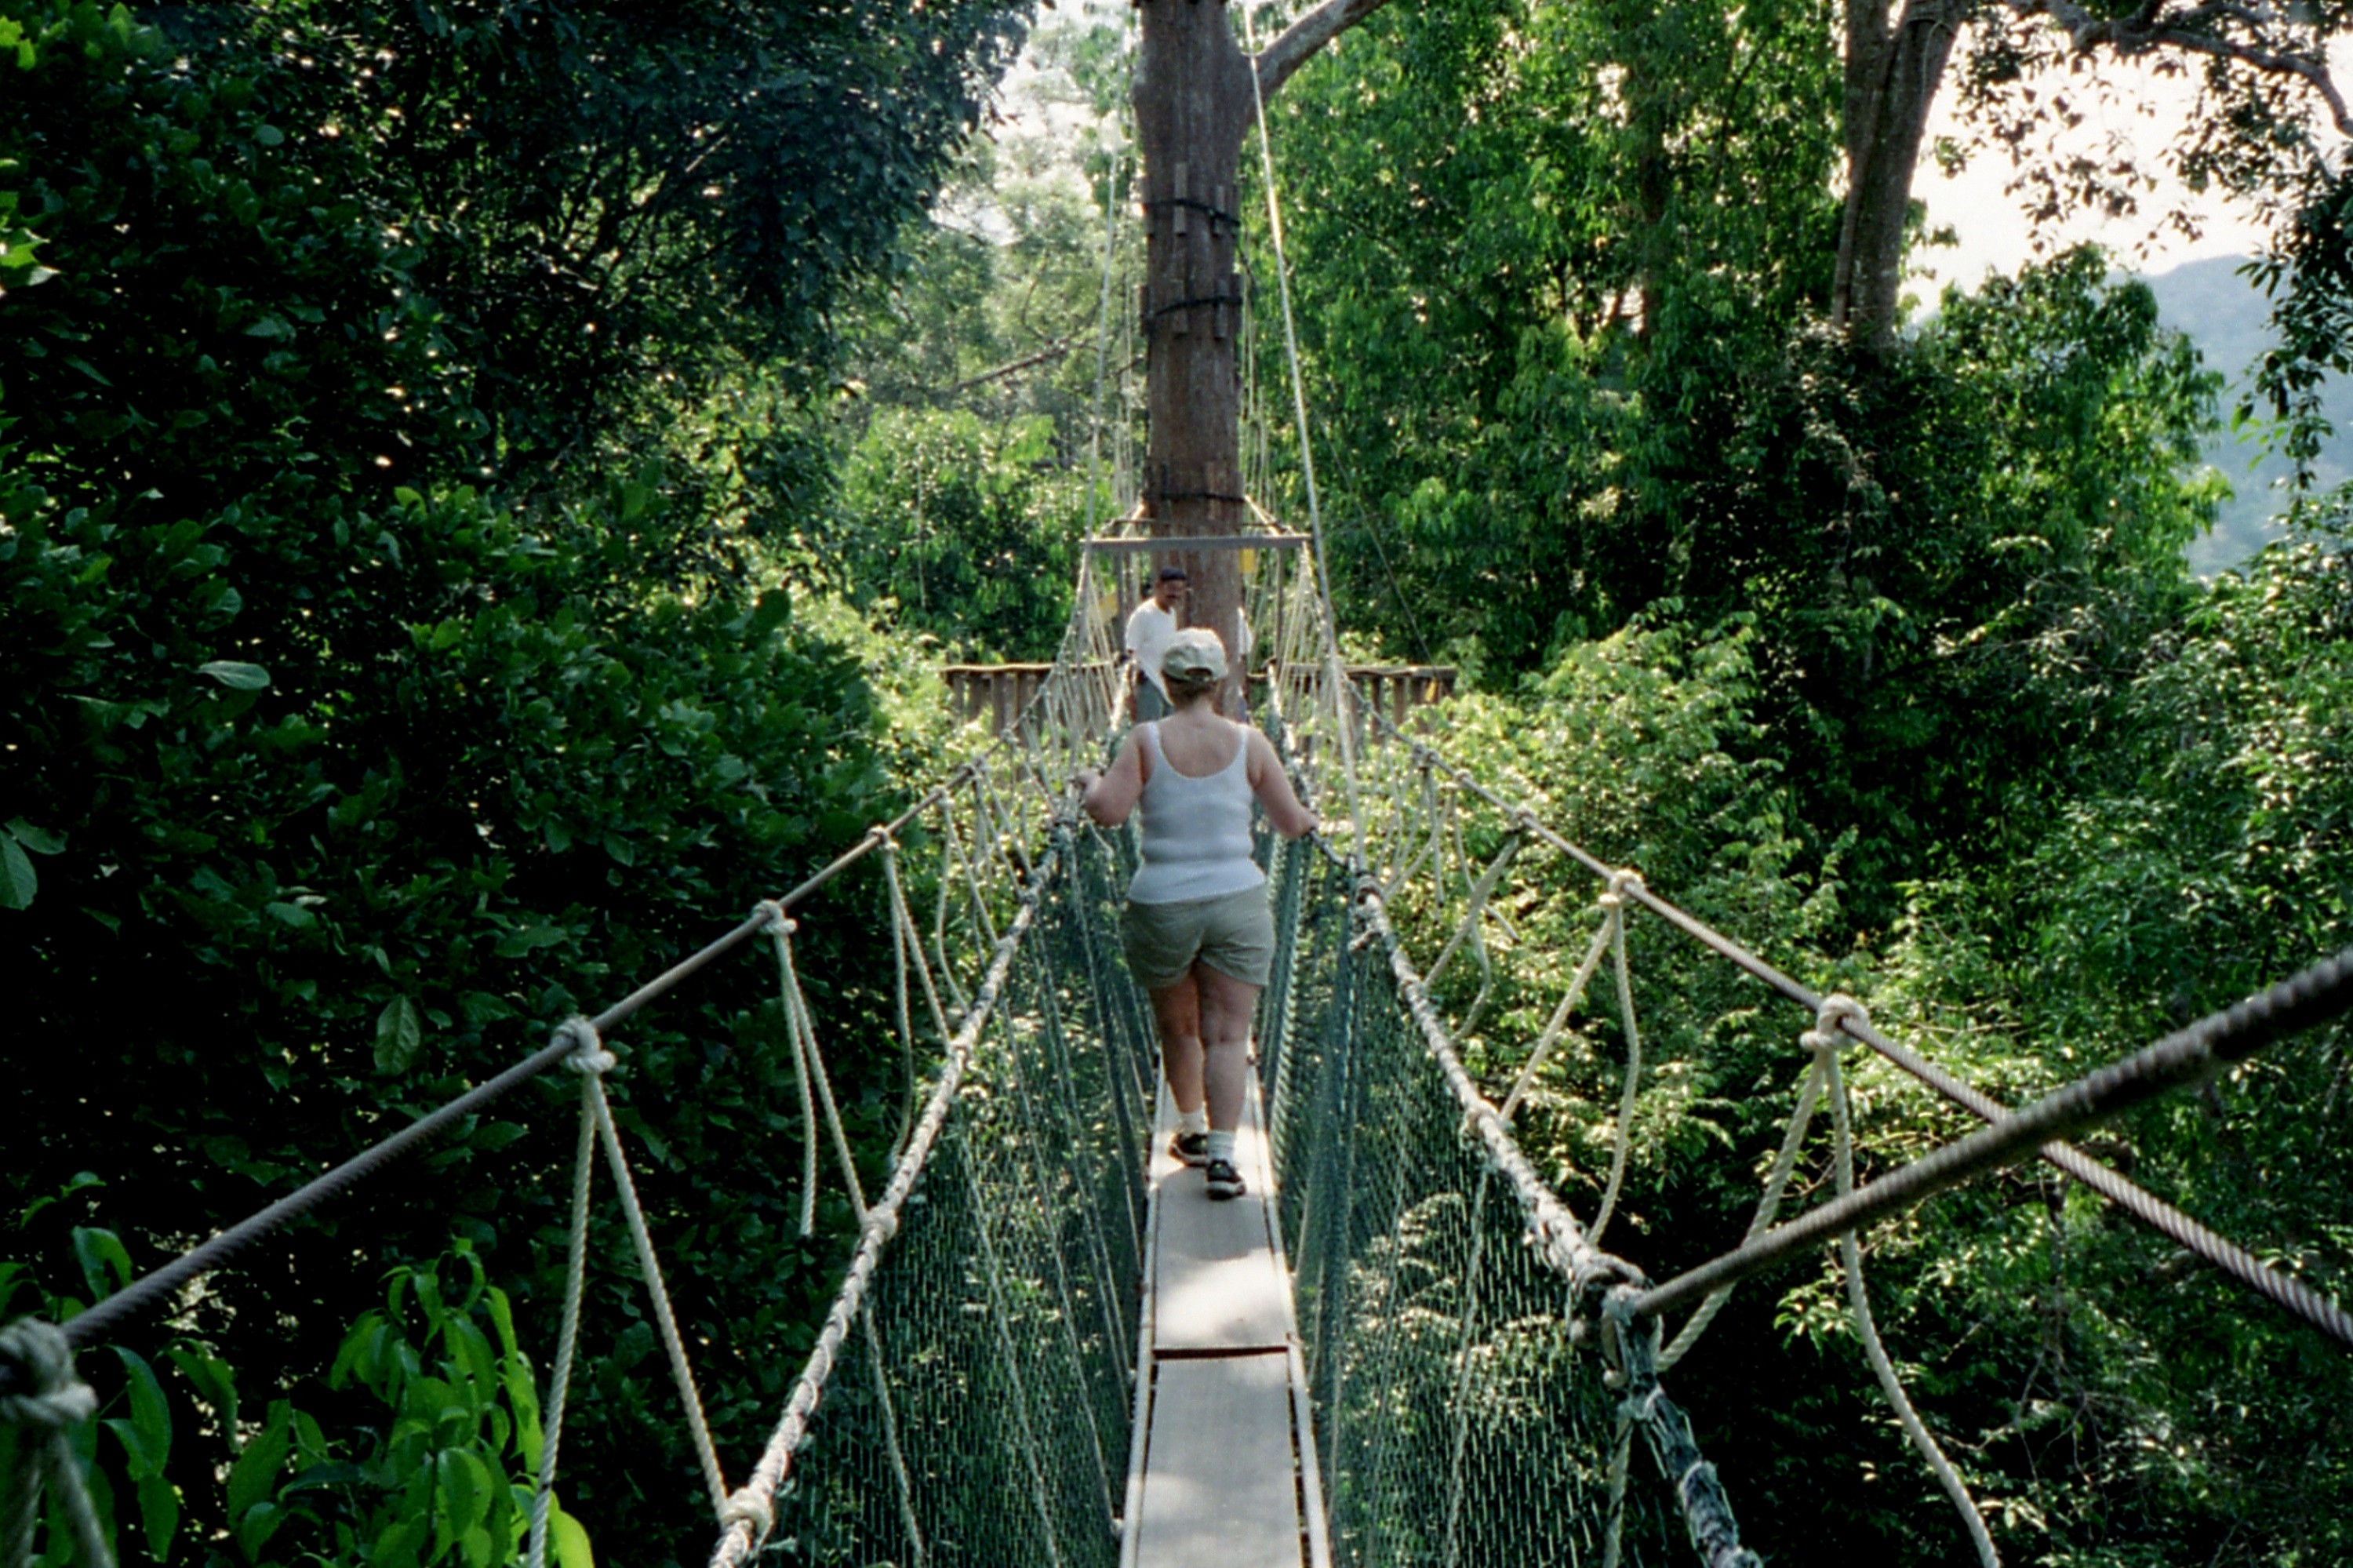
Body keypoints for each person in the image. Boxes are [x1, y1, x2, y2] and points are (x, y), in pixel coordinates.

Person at [1077, 628, 1318, 1200]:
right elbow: (1290, 823)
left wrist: (1089, 783)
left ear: (1166, 681)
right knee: (1229, 1035)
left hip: (1162, 904)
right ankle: (1225, 1160)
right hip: (1238, 901)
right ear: (1221, 681)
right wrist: (1315, 819)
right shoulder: (1251, 741)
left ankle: (1190, 1131)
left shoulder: (1145, 739)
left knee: (1179, 1027)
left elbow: (1108, 812)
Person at [1123, 567, 1187, 721]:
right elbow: (1130, 654)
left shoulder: (1172, 614)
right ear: (1158, 586)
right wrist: (1130, 693)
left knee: (1167, 730)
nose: (1176, 595)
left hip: (1166, 684)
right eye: (1172, 589)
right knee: (1149, 729)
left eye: (1180, 590)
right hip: (1148, 682)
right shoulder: (1143, 615)